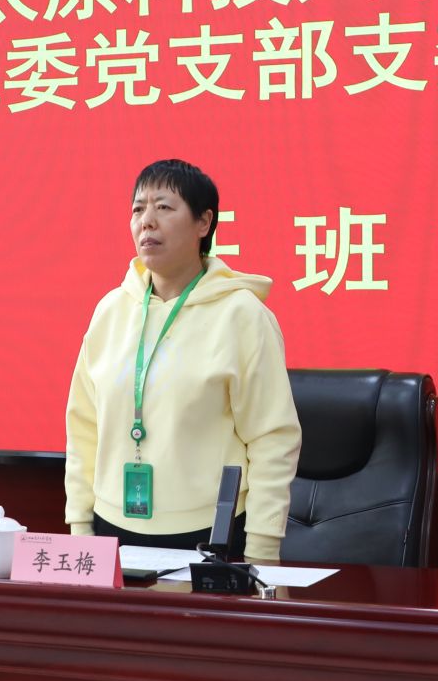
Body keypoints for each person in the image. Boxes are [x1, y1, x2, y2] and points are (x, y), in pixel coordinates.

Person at [65, 159, 301, 561]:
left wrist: (262, 547)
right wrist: (80, 524)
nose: (147, 221)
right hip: (109, 529)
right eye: (138, 209)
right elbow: (83, 425)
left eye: (164, 207)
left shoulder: (242, 315)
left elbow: (272, 438)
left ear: (203, 223)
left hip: (210, 532)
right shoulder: (111, 311)